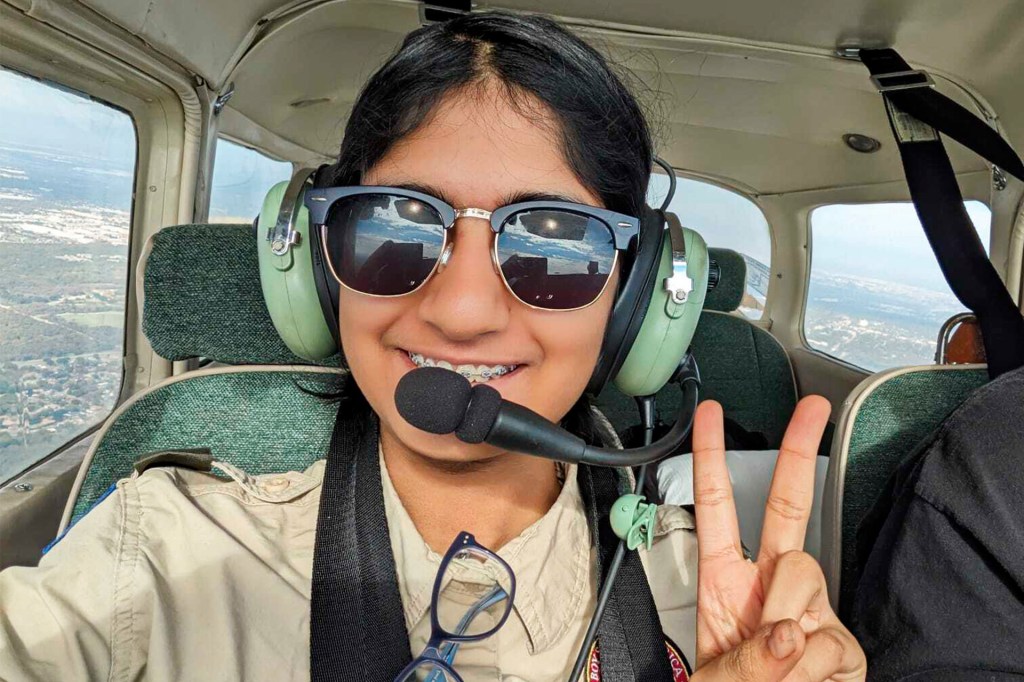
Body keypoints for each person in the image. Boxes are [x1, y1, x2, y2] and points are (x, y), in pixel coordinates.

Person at [0, 11, 865, 681]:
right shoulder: (159, 553)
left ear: (637, 301)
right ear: (319, 271)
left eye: (553, 245)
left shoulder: (718, 593)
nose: (460, 312)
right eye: (394, 228)